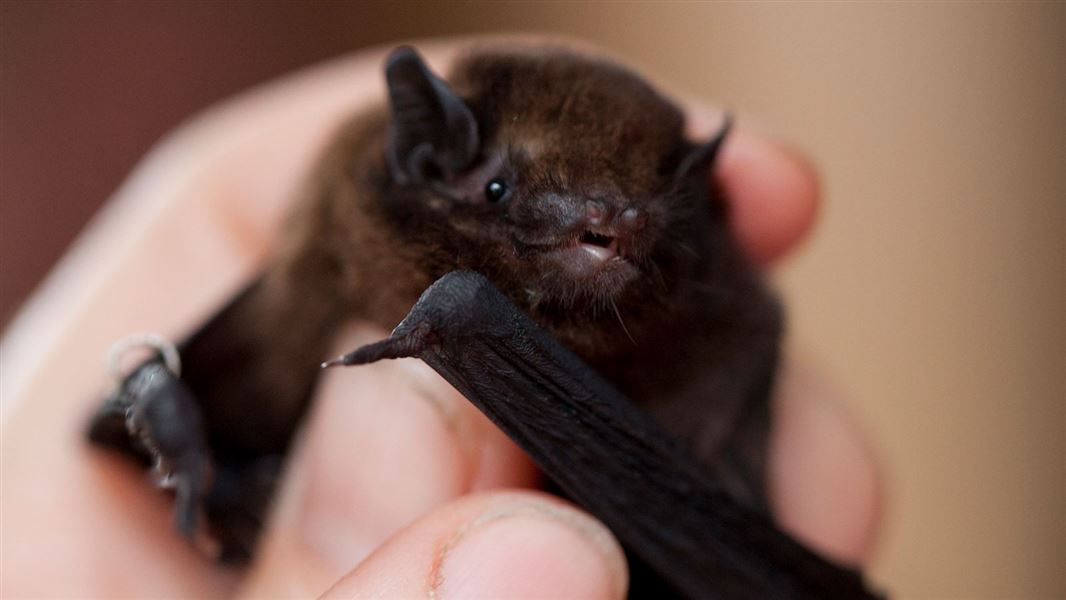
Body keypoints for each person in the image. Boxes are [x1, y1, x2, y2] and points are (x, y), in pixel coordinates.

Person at [0, 40, 881, 598]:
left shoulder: (708, 325)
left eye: (641, 214)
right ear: (429, 157)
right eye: (504, 192)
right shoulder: (356, 231)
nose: (606, 230)